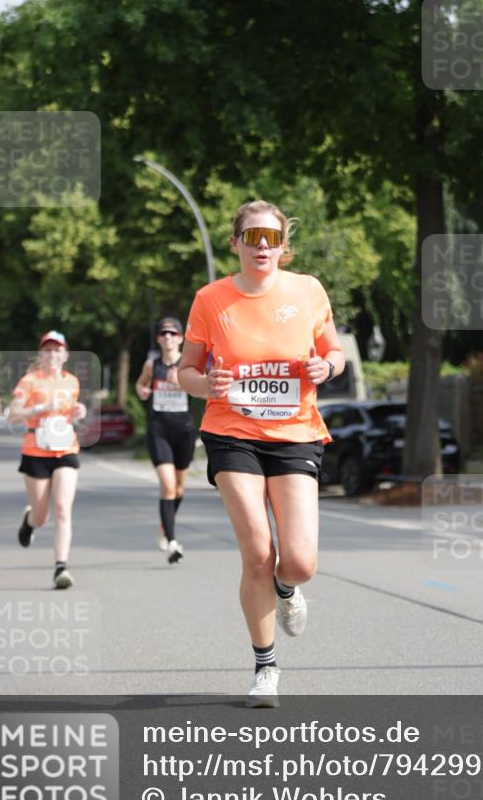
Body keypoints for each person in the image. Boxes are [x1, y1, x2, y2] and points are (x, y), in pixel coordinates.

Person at [178, 200, 344, 707]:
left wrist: (327, 369)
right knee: (257, 551)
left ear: (283, 246)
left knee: (298, 562)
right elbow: (184, 371)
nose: (262, 247)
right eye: (252, 238)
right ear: (236, 243)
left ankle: (288, 589)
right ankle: (265, 667)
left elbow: (332, 351)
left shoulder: (308, 289)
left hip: (295, 433)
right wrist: (206, 383)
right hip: (232, 432)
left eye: (272, 238)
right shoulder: (211, 298)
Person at [8, 331, 86, 589]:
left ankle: (61, 567)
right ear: (41, 354)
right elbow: (13, 416)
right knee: (42, 516)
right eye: (48, 350)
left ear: (65, 355)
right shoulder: (29, 381)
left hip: (66, 449)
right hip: (36, 450)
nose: (52, 354)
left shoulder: (72, 382)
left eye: (57, 350)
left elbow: (72, 413)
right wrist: (38, 408)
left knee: (63, 509)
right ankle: (30, 522)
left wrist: (79, 411)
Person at [135, 317, 197, 564]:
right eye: (163, 333)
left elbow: (200, 390)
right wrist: (142, 391)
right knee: (168, 486)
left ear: (181, 338)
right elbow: (140, 386)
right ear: (159, 339)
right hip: (158, 430)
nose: (168, 337)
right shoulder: (152, 365)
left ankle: (165, 525)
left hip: (184, 431)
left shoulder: (189, 365)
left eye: (173, 333)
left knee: (180, 488)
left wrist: (182, 381)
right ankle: (172, 542)